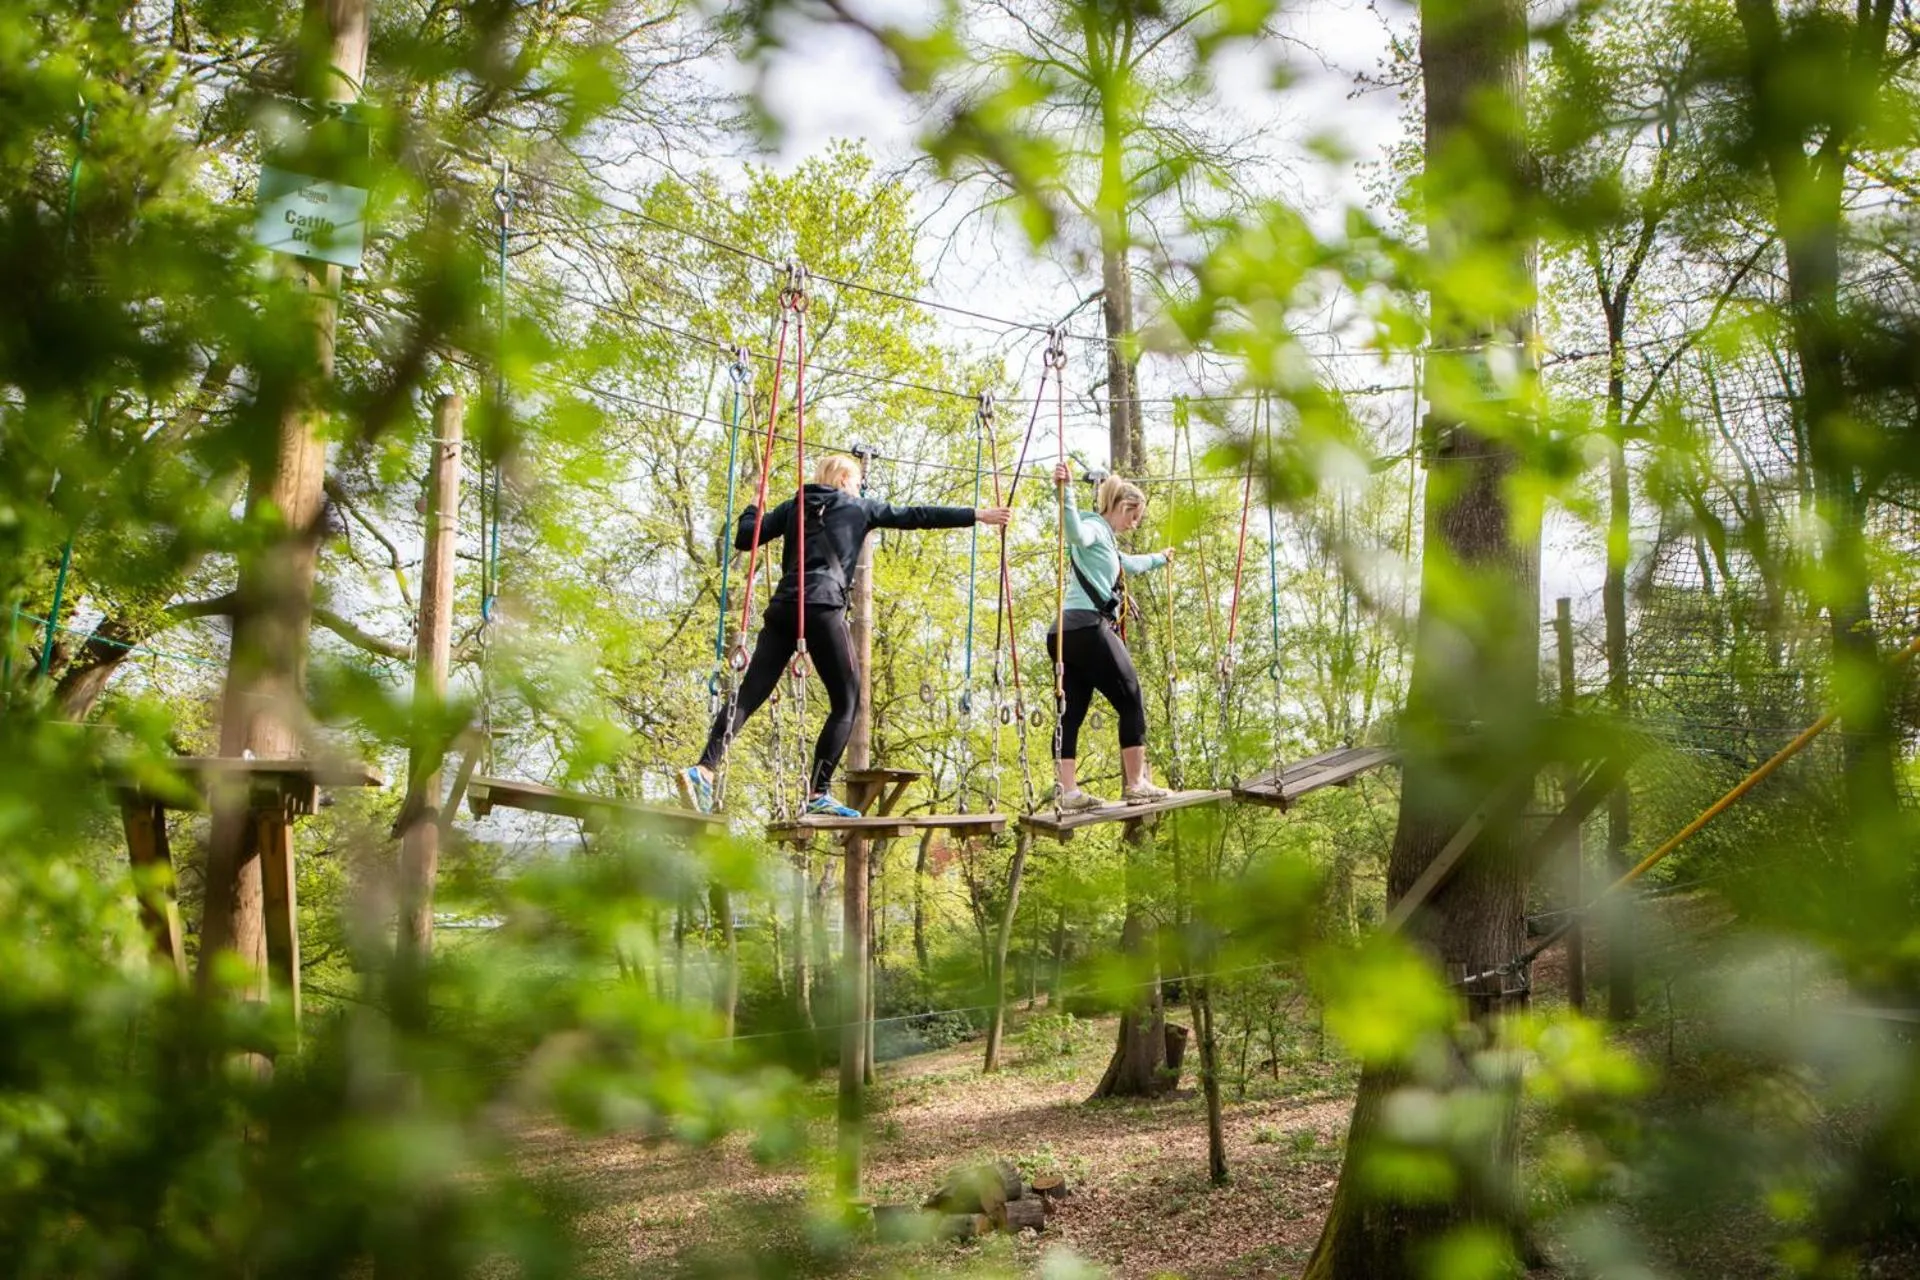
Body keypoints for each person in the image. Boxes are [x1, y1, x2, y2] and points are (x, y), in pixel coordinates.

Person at [681, 454, 1012, 817]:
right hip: (822, 607)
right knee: (847, 701)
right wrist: (977, 515)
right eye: (856, 481)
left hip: (784, 608)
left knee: (750, 693)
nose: (859, 488)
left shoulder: (792, 507)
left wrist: (751, 508)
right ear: (842, 479)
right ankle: (817, 792)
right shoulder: (859, 508)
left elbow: (746, 538)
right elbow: (917, 516)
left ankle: (705, 767)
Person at [1044, 462, 1176, 810]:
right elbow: (1074, 533)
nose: (1135, 524)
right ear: (1123, 507)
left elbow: (1129, 564)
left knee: (1071, 712)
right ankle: (1136, 783)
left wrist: (1161, 559)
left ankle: (1068, 791)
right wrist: (1066, 492)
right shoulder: (1094, 527)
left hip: (1064, 633)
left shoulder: (1107, 543)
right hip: (1088, 628)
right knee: (1131, 696)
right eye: (1135, 517)